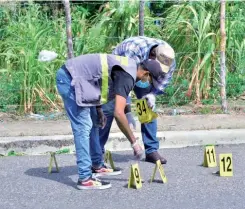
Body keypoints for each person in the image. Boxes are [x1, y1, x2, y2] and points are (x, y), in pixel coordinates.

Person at [56, 53, 164, 190]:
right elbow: (118, 113)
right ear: (146, 73)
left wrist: (99, 109)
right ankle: (85, 178)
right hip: (70, 78)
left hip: (83, 81)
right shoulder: (127, 75)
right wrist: (134, 142)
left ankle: (97, 165)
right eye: (149, 80)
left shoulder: (129, 66)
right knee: (83, 127)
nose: (147, 82)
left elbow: (99, 82)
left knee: (95, 121)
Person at [98, 36, 176, 165]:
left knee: (147, 105)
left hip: (142, 73)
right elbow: (123, 82)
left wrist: (153, 95)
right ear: (152, 56)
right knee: (110, 107)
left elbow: (163, 80)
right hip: (119, 71)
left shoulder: (168, 57)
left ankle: (151, 150)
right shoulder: (132, 50)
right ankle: (97, 152)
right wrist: (127, 111)